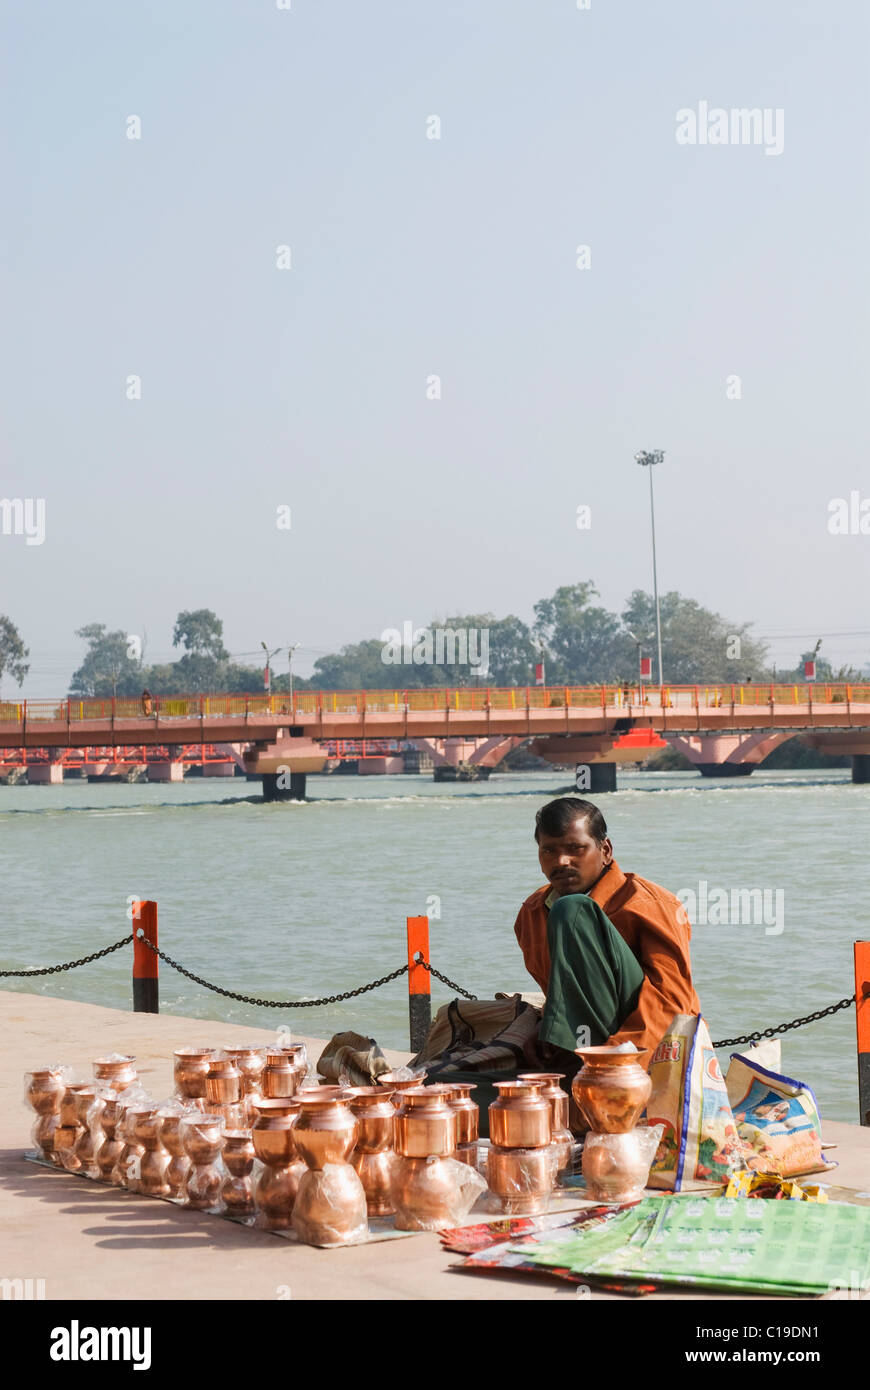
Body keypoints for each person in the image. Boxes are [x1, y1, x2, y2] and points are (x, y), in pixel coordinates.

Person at [514, 797, 700, 1070]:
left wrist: (611, 1061)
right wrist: (546, 1033)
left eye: (576, 849)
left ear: (606, 850)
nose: (561, 861)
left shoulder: (647, 904)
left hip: (644, 1054)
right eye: (549, 851)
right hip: (584, 1049)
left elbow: (670, 1001)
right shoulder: (532, 912)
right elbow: (564, 992)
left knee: (572, 909)